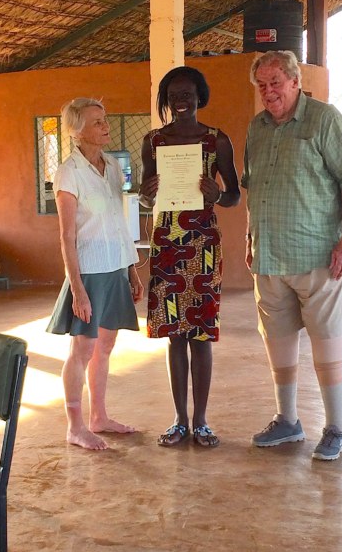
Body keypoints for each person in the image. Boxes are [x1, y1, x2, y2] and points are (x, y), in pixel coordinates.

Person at [242, 50, 342, 460]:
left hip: (320, 258)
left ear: (295, 81)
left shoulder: (324, 120)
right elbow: (254, 189)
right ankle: (287, 420)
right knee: (278, 344)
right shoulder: (256, 128)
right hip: (270, 258)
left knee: (327, 347)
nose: (268, 91)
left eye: (275, 82)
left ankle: (335, 427)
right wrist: (249, 238)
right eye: (261, 85)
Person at [139, 66, 240, 448]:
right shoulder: (154, 141)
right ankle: (179, 420)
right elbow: (147, 197)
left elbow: (233, 195)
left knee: (200, 335)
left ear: (200, 96)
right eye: (174, 95)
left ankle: (202, 421)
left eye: (188, 93)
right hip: (167, 244)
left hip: (203, 247)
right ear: (166, 100)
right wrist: (147, 193)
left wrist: (217, 195)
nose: (181, 100)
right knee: (174, 337)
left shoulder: (217, 141)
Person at [47, 98, 144, 451]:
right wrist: (78, 290)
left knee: (106, 345)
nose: (105, 126)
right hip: (88, 272)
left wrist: (131, 270)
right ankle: (75, 426)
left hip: (115, 266)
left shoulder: (114, 167)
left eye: (104, 120)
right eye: (97, 122)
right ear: (77, 131)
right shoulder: (68, 172)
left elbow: (119, 224)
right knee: (82, 349)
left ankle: (98, 416)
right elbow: (67, 235)